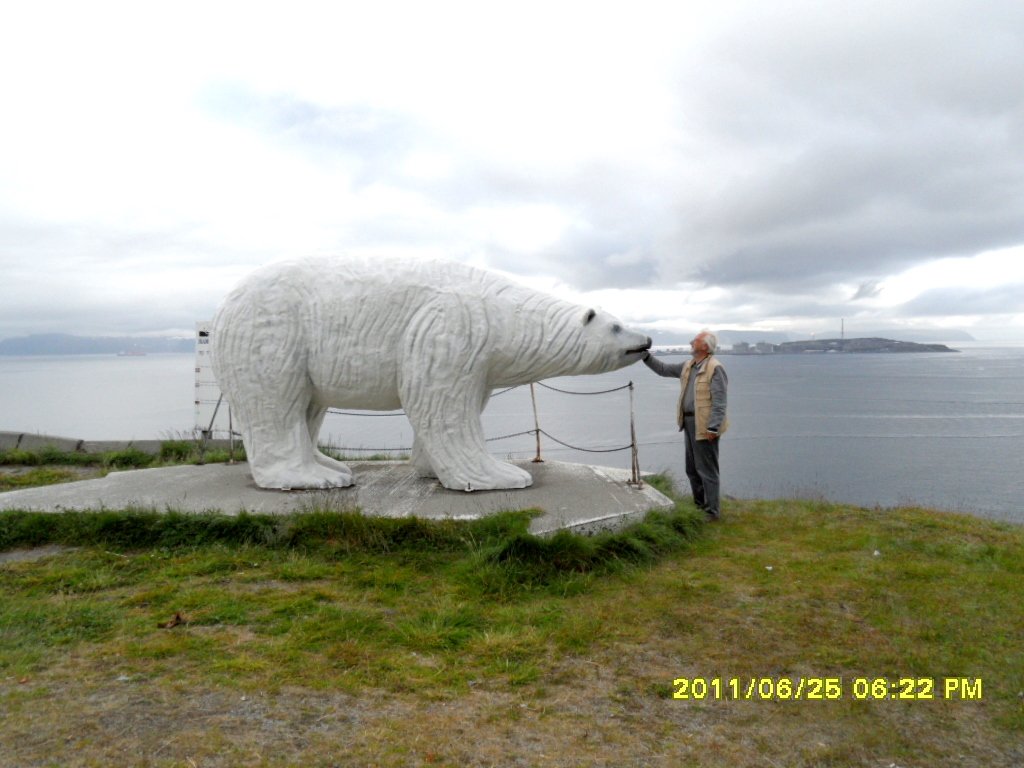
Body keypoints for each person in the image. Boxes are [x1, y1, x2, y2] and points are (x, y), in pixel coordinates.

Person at [642, 330, 728, 519]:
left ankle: (712, 512)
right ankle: (699, 507)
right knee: (692, 469)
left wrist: (713, 426)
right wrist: (645, 356)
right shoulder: (689, 366)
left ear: (705, 346)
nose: (691, 342)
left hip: (705, 425)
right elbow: (663, 369)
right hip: (689, 422)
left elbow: (720, 401)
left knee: (707, 470)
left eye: (695, 340)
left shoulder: (715, 368)